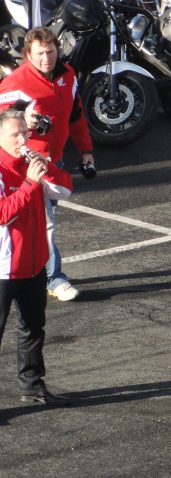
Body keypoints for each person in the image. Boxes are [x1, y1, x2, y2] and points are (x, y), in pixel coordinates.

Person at [0, 27, 95, 302]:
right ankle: (53, 278)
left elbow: (76, 116)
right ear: (27, 54)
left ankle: (42, 273)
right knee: (39, 221)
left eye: (51, 52)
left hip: (55, 160)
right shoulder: (15, 84)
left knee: (44, 220)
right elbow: (3, 122)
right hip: (24, 162)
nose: (46, 58)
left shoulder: (68, 75)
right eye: (39, 53)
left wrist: (86, 150)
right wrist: (22, 121)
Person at [0, 109, 73, 406]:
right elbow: (2, 214)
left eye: (25, 133)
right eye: (15, 135)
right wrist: (30, 185)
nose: (22, 139)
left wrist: (48, 168)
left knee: (33, 329)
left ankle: (32, 387)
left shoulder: (32, 163)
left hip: (34, 266)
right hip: (3, 271)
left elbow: (65, 190)